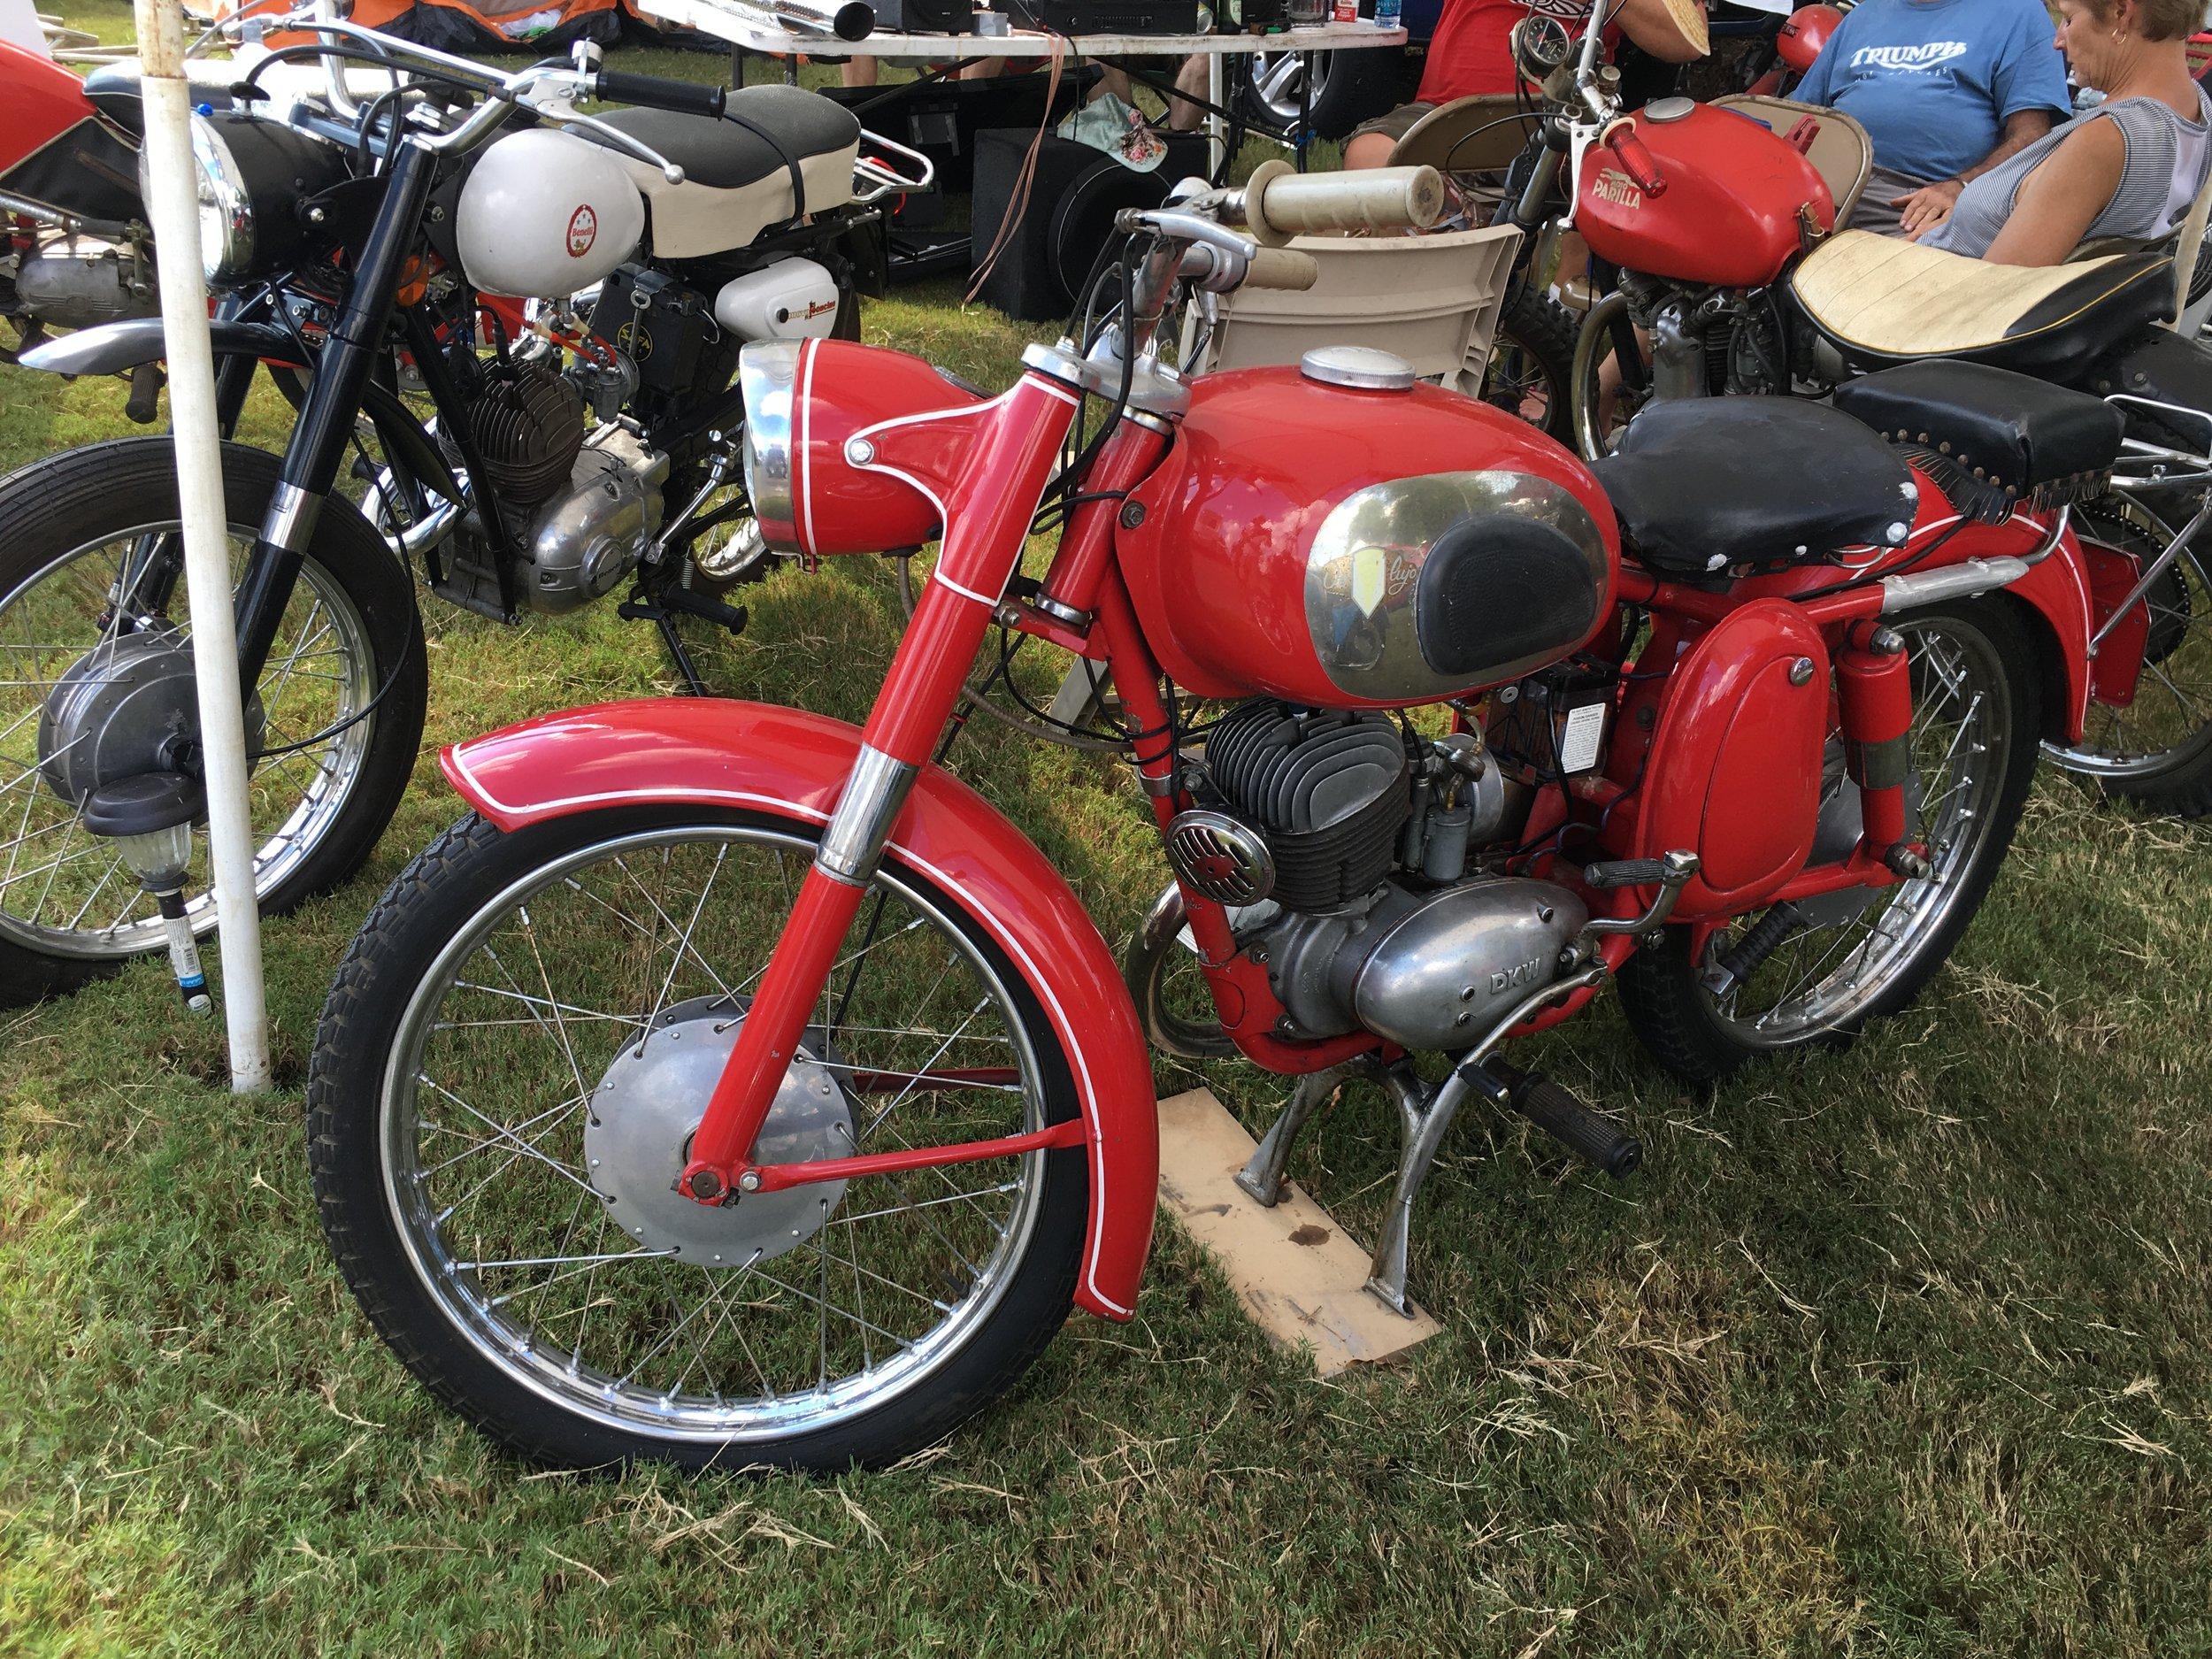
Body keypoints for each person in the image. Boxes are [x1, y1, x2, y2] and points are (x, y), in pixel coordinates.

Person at [1918, 0, 2212, 259]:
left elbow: (1999, 295)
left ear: (2122, 12)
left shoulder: (2105, 141)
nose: (2057, 41)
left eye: (2069, 19)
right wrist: (1960, 225)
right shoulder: (2196, 110)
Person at [1791, 0, 2073, 235]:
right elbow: (1799, 112)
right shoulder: (1866, 13)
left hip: (1915, 202)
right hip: (1824, 185)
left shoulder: (2018, 12)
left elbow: (2033, 136)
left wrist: (1963, 187)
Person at [1343, 0, 1709, 169]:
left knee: (1610, 187)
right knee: (1371, 156)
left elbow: (1688, 42)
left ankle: (1559, 305)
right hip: (1447, 110)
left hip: (1567, 119)